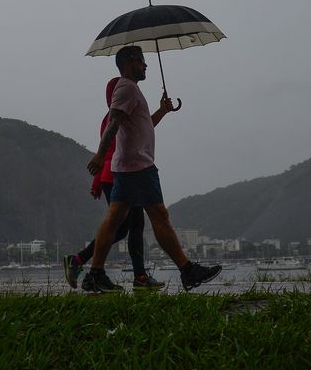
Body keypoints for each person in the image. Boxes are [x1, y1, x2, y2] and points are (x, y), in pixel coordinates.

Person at [80, 45, 221, 293]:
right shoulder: (126, 87)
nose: (146, 65)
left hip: (127, 165)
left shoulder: (132, 90)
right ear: (129, 62)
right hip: (138, 166)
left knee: (114, 221)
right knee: (159, 215)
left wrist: (163, 111)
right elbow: (114, 121)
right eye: (142, 61)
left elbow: (142, 126)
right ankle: (187, 270)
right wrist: (101, 154)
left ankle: (95, 274)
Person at [63, 76, 163, 290]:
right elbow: (108, 150)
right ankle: (138, 277)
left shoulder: (119, 115)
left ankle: (81, 261)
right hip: (121, 175)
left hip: (115, 175)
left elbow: (144, 127)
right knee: (132, 225)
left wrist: (162, 111)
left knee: (123, 228)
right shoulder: (115, 117)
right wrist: (98, 180)